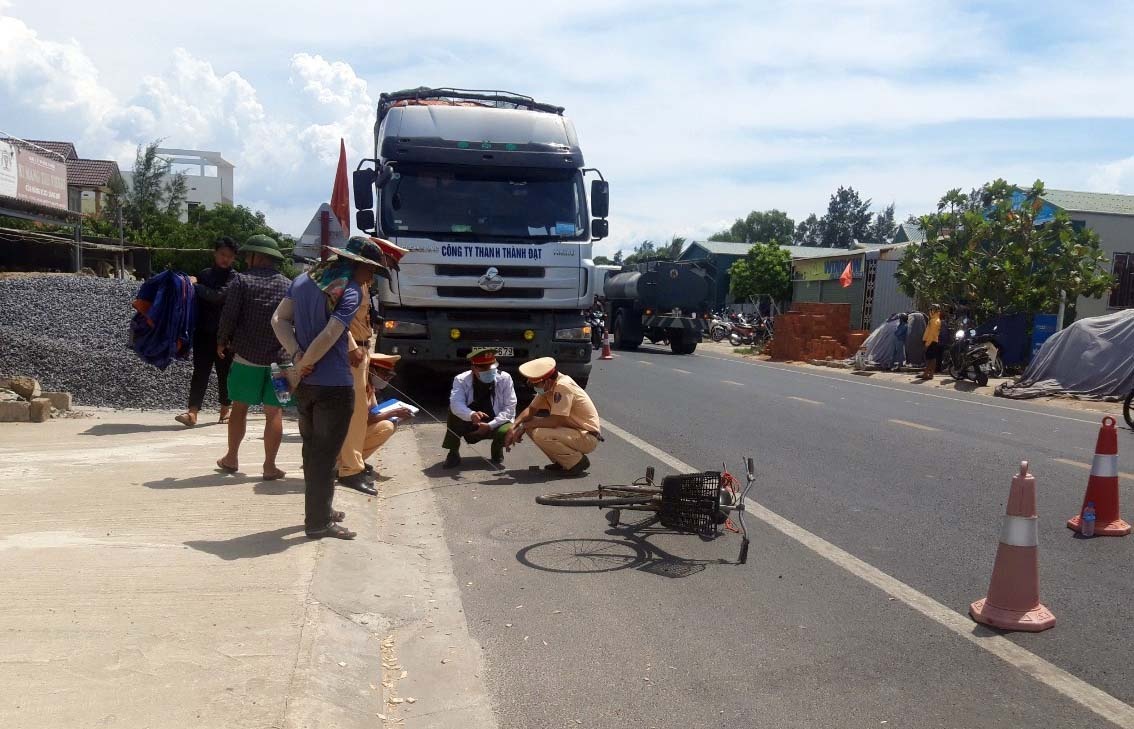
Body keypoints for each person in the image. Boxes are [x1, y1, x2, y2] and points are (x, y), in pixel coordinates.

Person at [271, 237, 388, 540]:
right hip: (333, 384)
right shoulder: (349, 292)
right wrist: (304, 362)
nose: (371, 277)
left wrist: (298, 357)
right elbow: (330, 334)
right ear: (358, 264)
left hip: (306, 386)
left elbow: (278, 320)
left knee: (312, 451)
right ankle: (318, 523)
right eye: (371, 270)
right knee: (325, 455)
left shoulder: (302, 280)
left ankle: (321, 510)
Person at [215, 234, 291, 480]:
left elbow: (229, 315)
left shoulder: (241, 281)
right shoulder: (287, 284)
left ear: (257, 256)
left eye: (249, 255)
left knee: (239, 408)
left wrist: (221, 340)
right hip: (280, 360)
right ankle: (269, 465)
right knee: (275, 411)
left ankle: (232, 458)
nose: (246, 259)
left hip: (246, 358)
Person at [503, 356, 600, 476]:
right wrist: (513, 426)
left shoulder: (563, 386)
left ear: (547, 381)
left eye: (535, 384)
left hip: (586, 436)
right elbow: (531, 410)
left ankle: (576, 463)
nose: (534, 387)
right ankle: (562, 461)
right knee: (531, 425)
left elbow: (555, 421)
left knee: (539, 433)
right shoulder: (549, 386)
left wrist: (523, 426)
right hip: (572, 432)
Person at [177, 237, 238, 428]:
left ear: (234, 259)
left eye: (229, 256)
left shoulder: (234, 278)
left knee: (225, 372)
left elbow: (219, 297)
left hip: (226, 334)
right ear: (215, 253)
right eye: (222, 254)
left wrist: (194, 284)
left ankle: (225, 409)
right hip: (203, 332)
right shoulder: (204, 274)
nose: (225, 259)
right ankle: (192, 412)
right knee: (200, 372)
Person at [335, 250, 378, 494]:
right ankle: (350, 469)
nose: (372, 274)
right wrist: (352, 347)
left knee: (359, 413)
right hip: (353, 354)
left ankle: (350, 464)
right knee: (355, 415)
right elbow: (337, 317)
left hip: (362, 351)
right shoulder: (346, 285)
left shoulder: (360, 284)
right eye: (370, 268)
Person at [442, 347, 517, 468]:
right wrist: (471, 415)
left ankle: (497, 449)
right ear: (473, 368)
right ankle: (453, 452)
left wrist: (490, 425)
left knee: (508, 430)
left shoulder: (505, 378)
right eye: (483, 368)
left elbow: (510, 407)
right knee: (452, 411)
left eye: (491, 367)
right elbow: (456, 403)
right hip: (471, 420)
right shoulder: (461, 379)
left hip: (496, 420)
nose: (489, 371)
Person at [359, 352, 414, 475]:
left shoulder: (370, 387)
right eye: (385, 374)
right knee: (386, 426)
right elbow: (363, 419)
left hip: (354, 432)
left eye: (390, 376)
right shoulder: (359, 387)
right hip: (345, 436)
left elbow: (374, 413)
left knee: (391, 425)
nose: (387, 379)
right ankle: (345, 463)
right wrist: (392, 413)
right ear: (372, 370)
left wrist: (398, 416)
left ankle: (358, 459)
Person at [919, 304, 943, 380]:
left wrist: (927, 344)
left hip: (931, 342)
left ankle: (926, 374)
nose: (930, 311)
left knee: (930, 359)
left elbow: (931, 334)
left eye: (931, 310)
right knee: (932, 358)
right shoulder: (936, 320)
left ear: (934, 311)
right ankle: (930, 374)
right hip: (933, 341)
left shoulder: (933, 321)